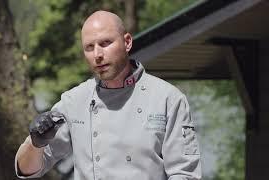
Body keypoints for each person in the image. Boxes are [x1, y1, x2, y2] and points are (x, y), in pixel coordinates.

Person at [15, 10, 201, 180]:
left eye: (105, 43)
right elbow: (27, 170)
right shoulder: (74, 101)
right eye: (89, 47)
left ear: (127, 42)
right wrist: (35, 143)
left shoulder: (168, 98)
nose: (97, 54)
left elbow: (184, 174)